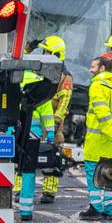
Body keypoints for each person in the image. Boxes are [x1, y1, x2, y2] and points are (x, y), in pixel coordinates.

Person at [15, 36, 65, 222]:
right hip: (33, 132)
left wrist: (27, 48)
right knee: (28, 168)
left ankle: (11, 198)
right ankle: (26, 210)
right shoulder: (41, 84)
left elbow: (14, 58)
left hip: (13, 130)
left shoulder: (15, 79)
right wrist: (51, 132)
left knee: (10, 166)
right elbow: (46, 112)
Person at [82, 54, 112, 221]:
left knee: (93, 174)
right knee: (110, 175)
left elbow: (102, 112)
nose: (90, 70)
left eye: (93, 66)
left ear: (101, 68)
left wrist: (109, 133)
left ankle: (95, 207)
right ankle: (110, 209)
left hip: (98, 140)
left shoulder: (97, 85)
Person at [39, 35, 73, 204]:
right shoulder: (39, 68)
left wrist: (56, 121)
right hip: (35, 118)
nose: (44, 53)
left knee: (52, 156)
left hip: (52, 121)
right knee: (25, 157)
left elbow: (65, 100)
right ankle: (19, 189)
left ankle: (49, 192)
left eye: (47, 51)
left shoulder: (65, 76)